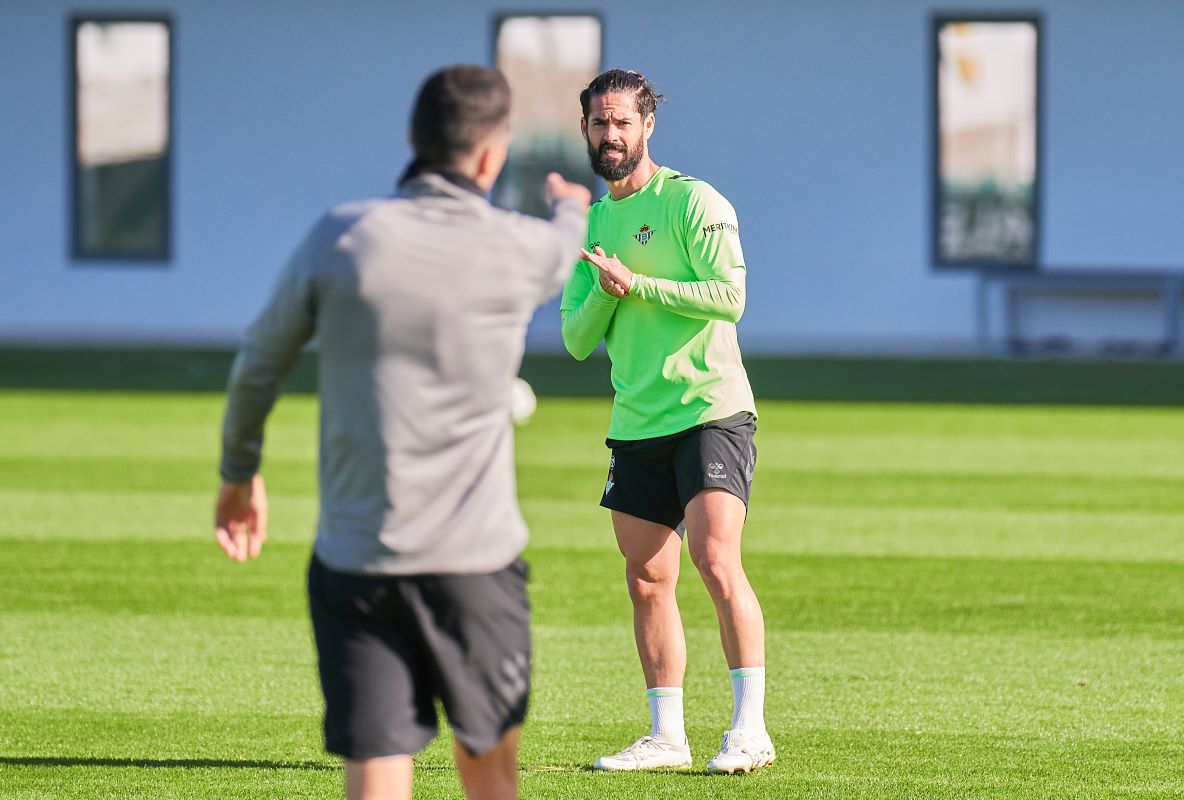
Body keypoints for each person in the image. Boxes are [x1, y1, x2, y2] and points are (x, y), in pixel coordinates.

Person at [213, 65, 591, 800]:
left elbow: (258, 363)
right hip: (476, 570)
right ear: (490, 157)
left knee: (379, 772)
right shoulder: (519, 250)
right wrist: (570, 206)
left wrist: (238, 475)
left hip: (358, 561)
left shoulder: (341, 239)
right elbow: (565, 245)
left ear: (411, 139)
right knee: (489, 772)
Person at [561, 69, 774, 775]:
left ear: (648, 125)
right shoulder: (594, 223)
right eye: (599, 123)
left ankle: (749, 730)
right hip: (637, 419)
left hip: (710, 410)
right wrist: (604, 288)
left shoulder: (692, 201)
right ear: (585, 129)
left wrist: (639, 282)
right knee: (647, 578)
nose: (611, 135)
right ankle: (667, 736)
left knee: (716, 560)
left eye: (623, 122)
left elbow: (730, 296)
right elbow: (575, 337)